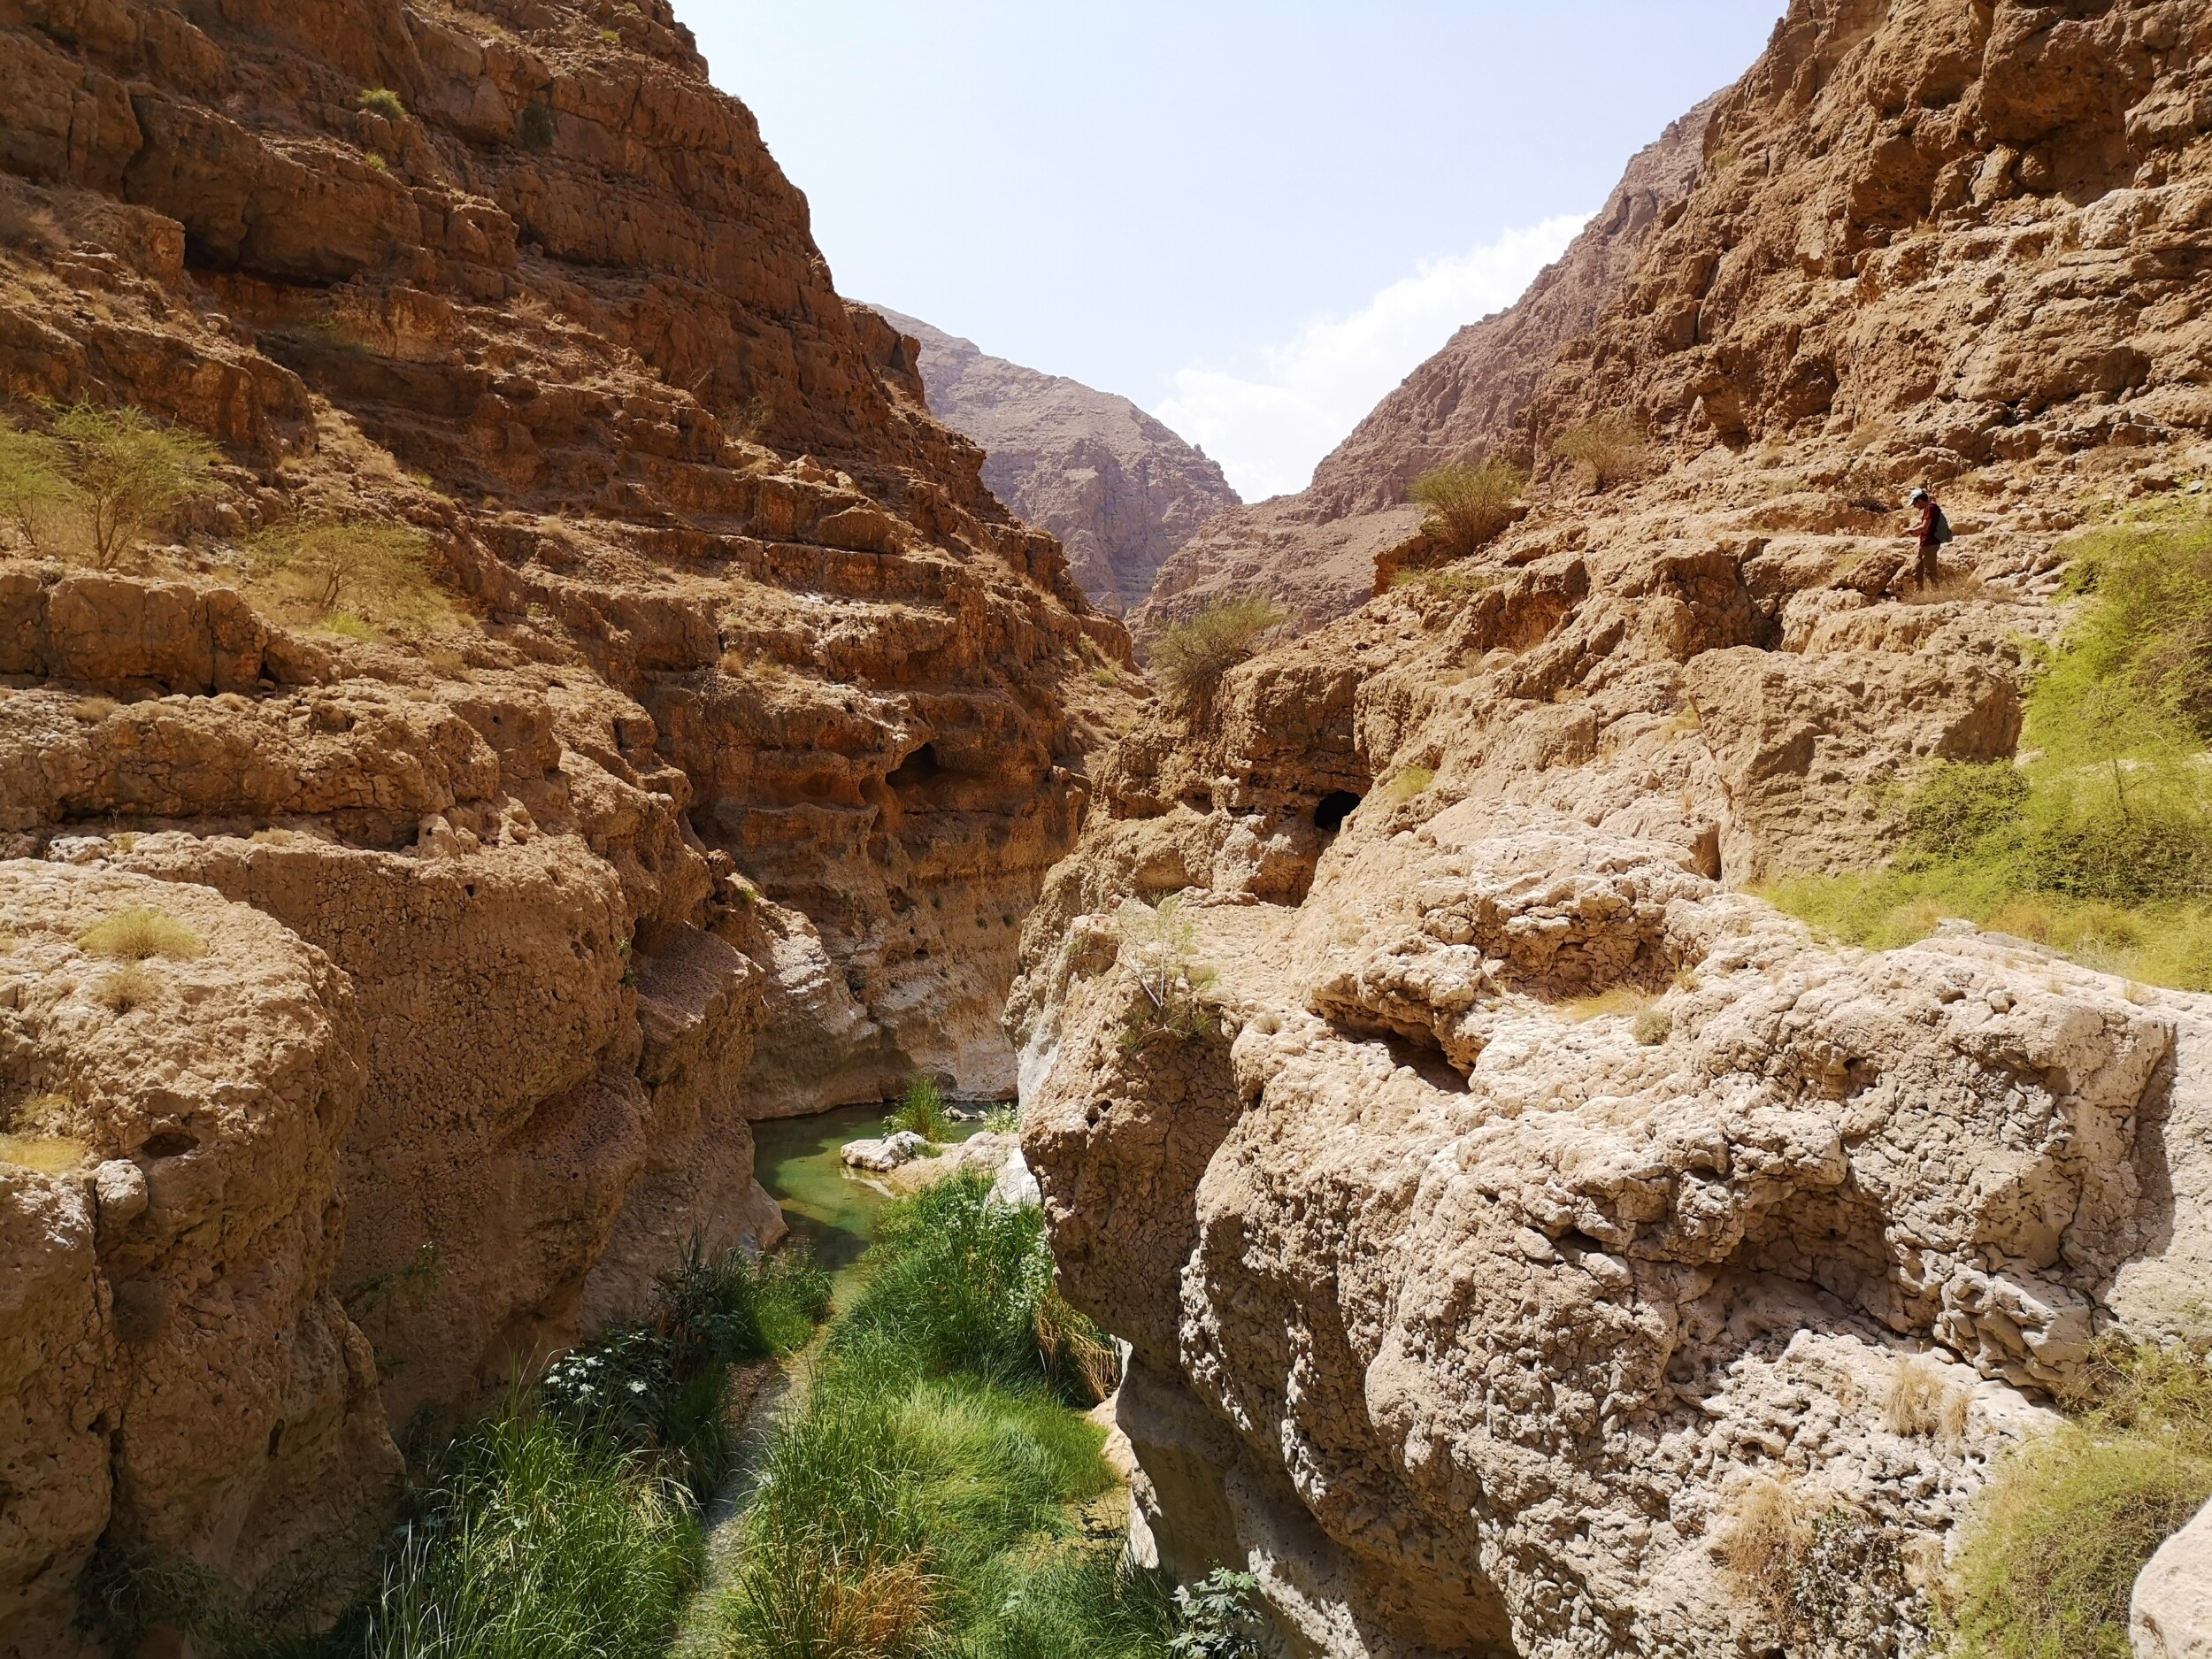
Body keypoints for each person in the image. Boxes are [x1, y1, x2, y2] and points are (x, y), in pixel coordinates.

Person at [1906, 487, 1954, 589]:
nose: (1915, 506)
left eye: (1915, 504)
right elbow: (1928, 528)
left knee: (1930, 571)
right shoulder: (1931, 508)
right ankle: (1918, 594)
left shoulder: (1930, 508)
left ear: (1919, 500)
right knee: (1917, 569)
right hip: (1926, 544)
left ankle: (1936, 594)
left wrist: (1910, 530)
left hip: (1930, 544)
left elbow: (1924, 527)